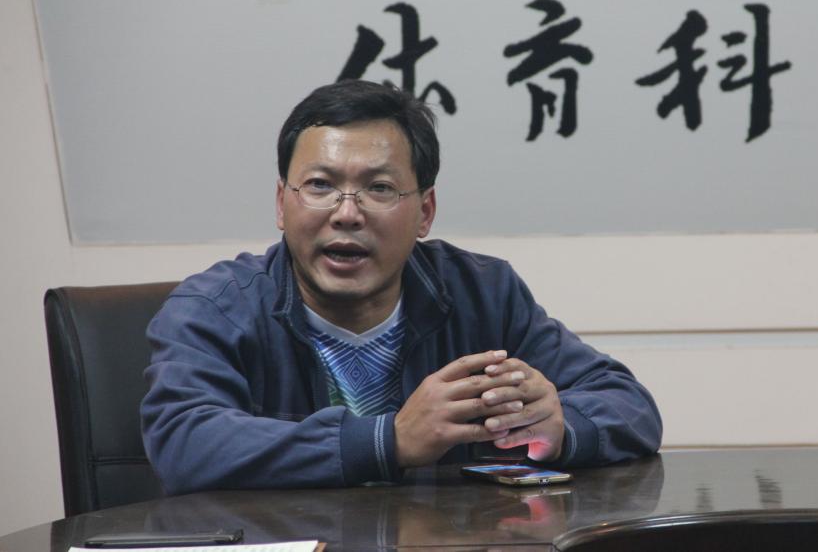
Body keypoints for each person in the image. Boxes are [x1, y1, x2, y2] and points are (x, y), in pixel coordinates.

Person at [141, 79, 662, 494]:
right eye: (320, 185)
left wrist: (560, 428)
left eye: (379, 188)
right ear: (282, 203)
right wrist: (388, 441)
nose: (347, 213)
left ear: (425, 212)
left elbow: (629, 405)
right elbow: (184, 443)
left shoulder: (483, 294)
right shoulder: (214, 308)